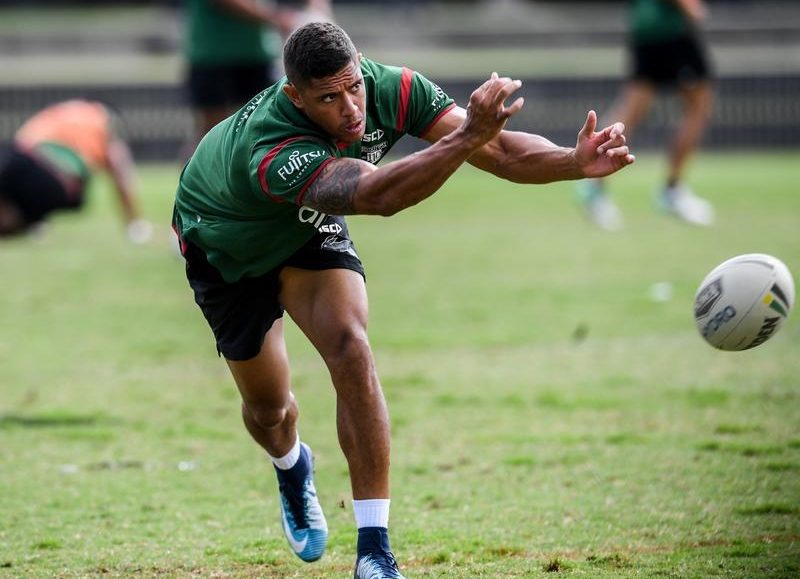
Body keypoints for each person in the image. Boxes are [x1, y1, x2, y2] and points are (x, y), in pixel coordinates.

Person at [172, 22, 634, 578]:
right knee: (270, 411)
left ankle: (374, 549)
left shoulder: (393, 87)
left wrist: (572, 162)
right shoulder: (271, 146)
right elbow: (377, 194)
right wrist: (465, 138)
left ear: (360, 67)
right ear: (295, 96)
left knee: (352, 348)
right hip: (225, 244)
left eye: (353, 88)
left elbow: (499, 150)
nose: (350, 109)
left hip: (305, 226)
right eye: (328, 99)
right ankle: (291, 464)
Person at [578, 0, 715, 230]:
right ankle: (672, 190)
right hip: (670, 32)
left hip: (645, 28)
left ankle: (594, 189)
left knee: (631, 110)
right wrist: (690, 7)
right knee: (698, 108)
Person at [0, 99, 150, 241]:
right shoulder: (102, 122)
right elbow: (120, 175)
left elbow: (23, 139)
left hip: (18, 157)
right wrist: (134, 223)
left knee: (11, 200)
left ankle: (30, 219)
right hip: (56, 179)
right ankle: (30, 219)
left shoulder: (65, 110)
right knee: (77, 199)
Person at [183, 0, 297, 151]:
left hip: (257, 55)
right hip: (214, 56)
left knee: (266, 130)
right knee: (212, 135)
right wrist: (275, 18)